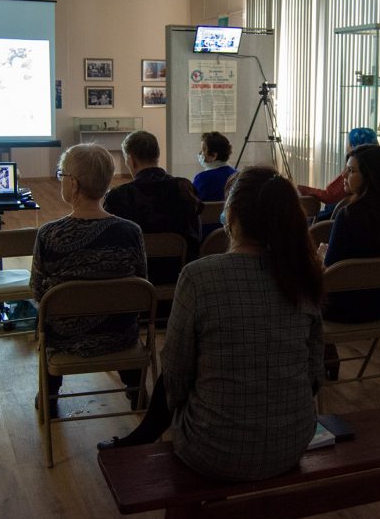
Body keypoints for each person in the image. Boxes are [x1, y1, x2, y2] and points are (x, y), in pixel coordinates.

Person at [97, 167, 325, 482]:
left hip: (213, 449)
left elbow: (175, 375)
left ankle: (141, 441)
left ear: (231, 216)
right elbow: (315, 372)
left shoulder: (199, 275)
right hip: (293, 441)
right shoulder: (305, 273)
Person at [30, 144, 147, 415]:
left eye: (61, 174)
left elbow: (37, 292)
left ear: (72, 184)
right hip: (120, 335)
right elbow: (141, 287)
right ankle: (135, 390)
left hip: (65, 341)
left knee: (47, 322)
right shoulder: (131, 231)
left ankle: (49, 395)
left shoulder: (49, 235)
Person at [320, 145, 380, 378]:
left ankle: (322, 357)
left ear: (370, 176)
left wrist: (322, 255)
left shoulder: (348, 215)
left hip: (339, 309)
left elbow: (331, 271)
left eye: (351, 171)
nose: (344, 175)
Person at [103, 130, 201, 284]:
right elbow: (195, 234)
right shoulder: (184, 188)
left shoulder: (118, 196)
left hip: (135, 278)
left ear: (131, 159)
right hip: (181, 273)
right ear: (157, 155)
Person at [297, 127, 377, 221]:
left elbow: (329, 196)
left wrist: (302, 189)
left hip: (330, 218)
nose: (344, 175)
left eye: (349, 143)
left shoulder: (353, 172)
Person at [192, 131, 237, 202]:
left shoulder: (202, 178)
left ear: (214, 155)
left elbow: (192, 203)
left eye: (203, 150)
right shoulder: (236, 175)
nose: (200, 153)